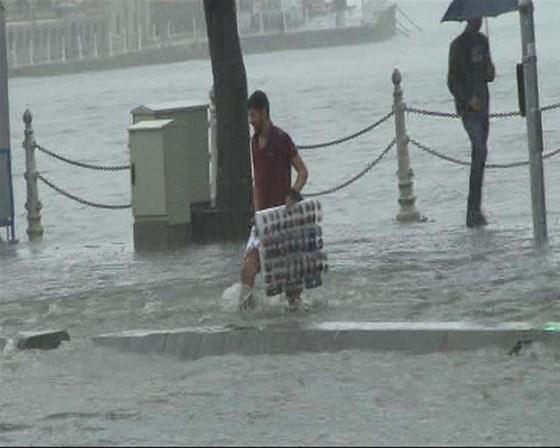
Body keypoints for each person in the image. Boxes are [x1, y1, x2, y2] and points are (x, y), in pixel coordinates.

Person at [240, 90, 309, 311]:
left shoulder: (282, 139)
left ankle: (295, 311)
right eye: (249, 117)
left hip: (283, 217)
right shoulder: (253, 142)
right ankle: (246, 311)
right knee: (248, 266)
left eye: (253, 116)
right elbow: (257, 181)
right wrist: (256, 213)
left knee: (291, 284)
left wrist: (293, 193)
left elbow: (302, 172)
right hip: (262, 218)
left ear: (264, 112)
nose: (251, 122)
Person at [447, 17, 495, 228]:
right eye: (476, 18)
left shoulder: (483, 41)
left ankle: (476, 210)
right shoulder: (457, 46)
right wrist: (467, 98)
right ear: (469, 19)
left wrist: (490, 71)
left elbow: (487, 75)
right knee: (479, 148)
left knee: (481, 155)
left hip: (484, 106)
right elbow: (452, 81)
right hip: (468, 109)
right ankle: (472, 211)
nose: (480, 21)